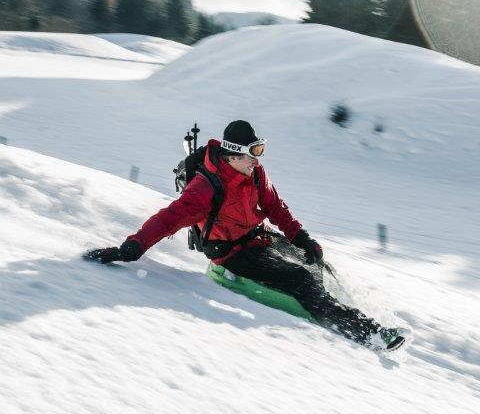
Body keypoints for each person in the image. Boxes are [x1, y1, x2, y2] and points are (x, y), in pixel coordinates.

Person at [86, 120, 405, 351]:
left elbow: (274, 206)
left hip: (259, 238)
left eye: (259, 154)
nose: (257, 161)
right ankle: (369, 332)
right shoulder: (206, 188)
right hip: (233, 254)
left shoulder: (254, 174)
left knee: (316, 263)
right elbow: (168, 219)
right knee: (302, 280)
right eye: (252, 155)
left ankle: (346, 308)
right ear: (232, 156)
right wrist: (131, 248)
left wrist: (302, 238)